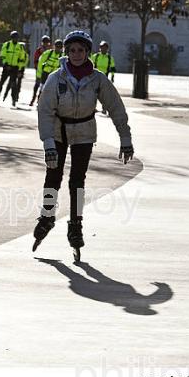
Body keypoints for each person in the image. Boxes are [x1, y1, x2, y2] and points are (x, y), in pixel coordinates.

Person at [32, 30, 134, 257]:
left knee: (77, 180)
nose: (76, 54)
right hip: (59, 132)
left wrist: (125, 139)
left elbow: (116, 107)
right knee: (53, 176)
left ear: (88, 52)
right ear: (66, 52)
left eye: (81, 50)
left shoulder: (98, 79)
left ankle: (76, 223)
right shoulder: (56, 78)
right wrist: (48, 142)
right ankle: (47, 215)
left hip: (84, 132)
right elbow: (45, 111)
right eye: (72, 50)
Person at [0, 30, 28, 106]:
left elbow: (22, 58)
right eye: (14, 38)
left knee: (13, 85)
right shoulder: (6, 45)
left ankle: (13, 100)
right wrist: (6, 64)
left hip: (15, 68)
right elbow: (3, 55)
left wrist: (19, 68)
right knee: (1, 83)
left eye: (16, 38)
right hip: (6, 67)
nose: (15, 39)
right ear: (11, 38)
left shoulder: (20, 47)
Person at [29, 35, 52, 106]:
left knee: (46, 86)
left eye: (47, 42)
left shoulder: (51, 50)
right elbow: (36, 59)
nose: (46, 44)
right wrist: (37, 67)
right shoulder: (39, 50)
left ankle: (42, 100)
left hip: (48, 71)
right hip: (40, 70)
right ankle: (33, 98)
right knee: (37, 84)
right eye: (44, 42)